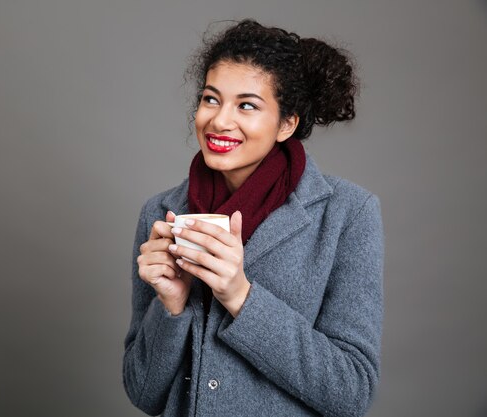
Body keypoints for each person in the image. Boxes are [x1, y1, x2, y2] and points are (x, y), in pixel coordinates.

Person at [122, 19, 383, 417]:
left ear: (287, 123)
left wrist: (240, 296)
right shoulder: (160, 213)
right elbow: (143, 392)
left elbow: (350, 392)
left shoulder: (348, 213)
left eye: (247, 105)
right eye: (211, 99)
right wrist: (172, 307)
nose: (219, 121)